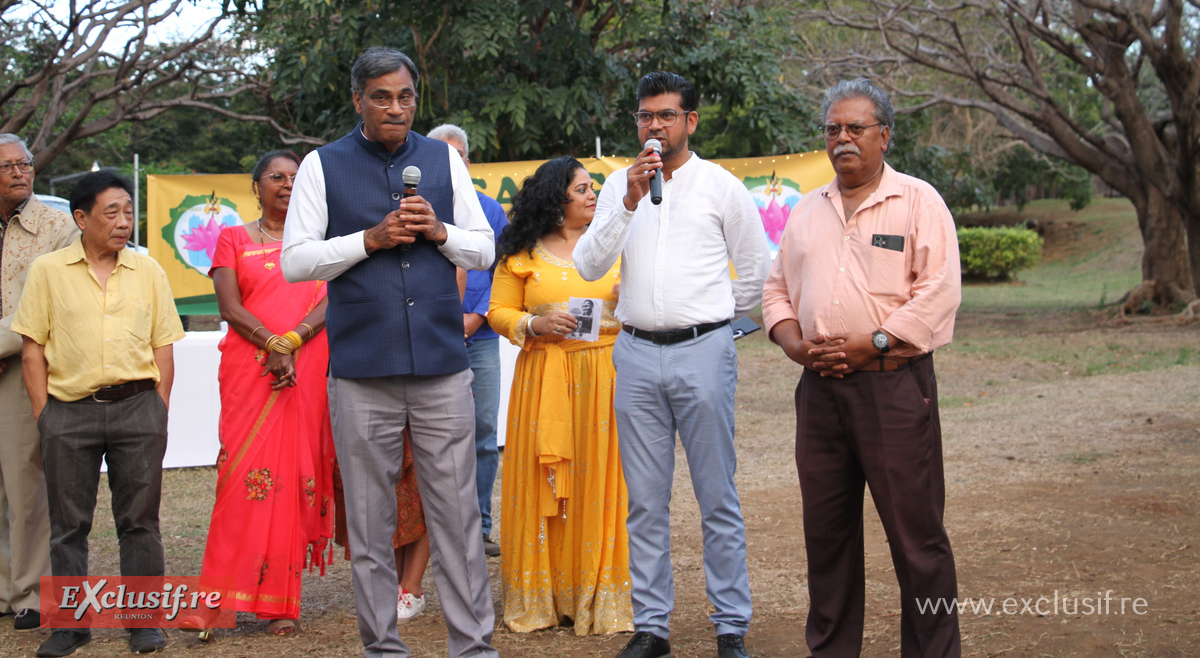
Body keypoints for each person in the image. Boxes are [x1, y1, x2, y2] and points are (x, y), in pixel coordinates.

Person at [280, 46, 498, 658]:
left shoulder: (441, 161)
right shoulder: (323, 165)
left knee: (456, 518)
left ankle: (473, 647)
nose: (395, 107)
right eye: (381, 96)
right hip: (361, 369)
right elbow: (296, 261)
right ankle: (383, 647)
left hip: (440, 365)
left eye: (405, 96)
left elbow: (482, 250)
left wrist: (439, 231)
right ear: (358, 101)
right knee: (371, 522)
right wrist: (367, 240)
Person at [760, 78, 963, 657]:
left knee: (917, 542)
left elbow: (940, 291)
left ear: (885, 136)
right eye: (833, 129)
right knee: (827, 540)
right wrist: (795, 345)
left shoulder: (919, 201)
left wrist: (874, 341)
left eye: (856, 128)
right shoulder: (806, 210)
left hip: (893, 388)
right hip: (819, 393)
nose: (842, 139)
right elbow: (776, 290)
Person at [574, 70, 770, 658]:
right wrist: (630, 202)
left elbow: (755, 269)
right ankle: (653, 626)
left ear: (690, 121)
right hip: (633, 353)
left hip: (704, 351)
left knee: (717, 495)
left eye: (665, 115)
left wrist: (710, 326)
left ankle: (731, 622)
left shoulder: (721, 186)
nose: (653, 126)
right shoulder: (616, 187)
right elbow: (588, 266)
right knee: (644, 500)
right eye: (644, 116)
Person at [12, 171, 185, 657]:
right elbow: (32, 350)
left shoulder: (148, 270)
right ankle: (70, 625)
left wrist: (159, 407)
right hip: (68, 413)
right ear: (81, 218)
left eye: (129, 212)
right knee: (69, 526)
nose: (124, 222)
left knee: (140, 522)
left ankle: (143, 621)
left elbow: (164, 345)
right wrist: (46, 415)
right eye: (112, 212)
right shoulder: (48, 271)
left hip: (137, 409)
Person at [488, 156, 632, 636]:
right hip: (543, 376)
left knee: (601, 480)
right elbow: (498, 312)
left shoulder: (615, 245)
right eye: (582, 189)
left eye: (593, 188)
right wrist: (535, 324)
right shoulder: (522, 254)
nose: (593, 196)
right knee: (542, 483)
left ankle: (595, 593)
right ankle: (542, 597)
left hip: (605, 376)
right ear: (556, 199)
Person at [194, 150, 335, 638]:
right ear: (256, 186)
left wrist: (291, 342)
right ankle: (216, 604)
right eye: (276, 177)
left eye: (296, 178)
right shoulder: (232, 238)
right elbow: (230, 307)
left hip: (306, 367)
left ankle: (281, 603)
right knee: (238, 481)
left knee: (295, 479)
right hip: (248, 370)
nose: (287, 184)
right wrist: (272, 344)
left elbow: (331, 303)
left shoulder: (320, 243)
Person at [0, 134, 77, 634]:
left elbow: (47, 306)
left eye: (23, 163)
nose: (18, 171)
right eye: (6, 165)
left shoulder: (59, 226)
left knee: (26, 484)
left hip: (23, 366)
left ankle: (30, 591)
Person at [427, 123, 508, 558]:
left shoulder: (491, 210)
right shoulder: (412, 209)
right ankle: (430, 530)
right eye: (439, 156)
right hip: (426, 336)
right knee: (429, 436)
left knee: (482, 431)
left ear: (469, 163)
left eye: (456, 156)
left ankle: (480, 526)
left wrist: (475, 316)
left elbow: (504, 271)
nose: (449, 163)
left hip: (479, 337)